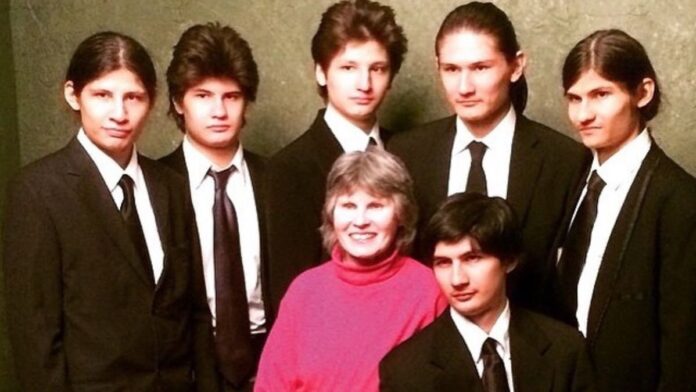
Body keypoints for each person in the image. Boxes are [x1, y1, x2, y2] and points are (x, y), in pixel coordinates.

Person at [2, 32, 215, 391]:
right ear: (73, 95)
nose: (119, 113)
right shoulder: (37, 192)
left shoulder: (171, 186)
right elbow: (35, 337)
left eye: (133, 97)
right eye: (102, 95)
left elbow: (195, 312)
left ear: (150, 102)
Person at [387, 1, 588, 311]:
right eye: (452, 69)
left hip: (530, 345)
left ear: (516, 66)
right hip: (429, 344)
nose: (464, 87)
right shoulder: (406, 154)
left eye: (480, 68)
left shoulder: (566, 161)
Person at [551, 29, 696, 391]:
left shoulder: (680, 200)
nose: (583, 114)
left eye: (601, 95)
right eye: (574, 98)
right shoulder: (568, 178)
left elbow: (684, 348)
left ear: (642, 92)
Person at [255, 150, 446, 392]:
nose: (360, 221)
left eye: (376, 205)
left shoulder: (428, 290)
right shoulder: (304, 290)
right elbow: (271, 386)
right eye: (348, 205)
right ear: (331, 214)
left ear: (401, 214)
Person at [266, 0, 408, 314]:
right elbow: (291, 295)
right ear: (321, 72)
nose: (364, 84)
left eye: (377, 69)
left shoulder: (408, 151)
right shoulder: (289, 168)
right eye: (348, 67)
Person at [380, 193, 595, 392]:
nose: (457, 280)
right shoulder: (405, 371)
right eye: (443, 263)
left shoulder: (565, 351)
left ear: (509, 260)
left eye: (472, 258)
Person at [158, 22, 269, 391]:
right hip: (188, 365)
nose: (219, 110)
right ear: (178, 101)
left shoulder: (280, 180)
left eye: (232, 96)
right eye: (203, 96)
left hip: (270, 356)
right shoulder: (154, 185)